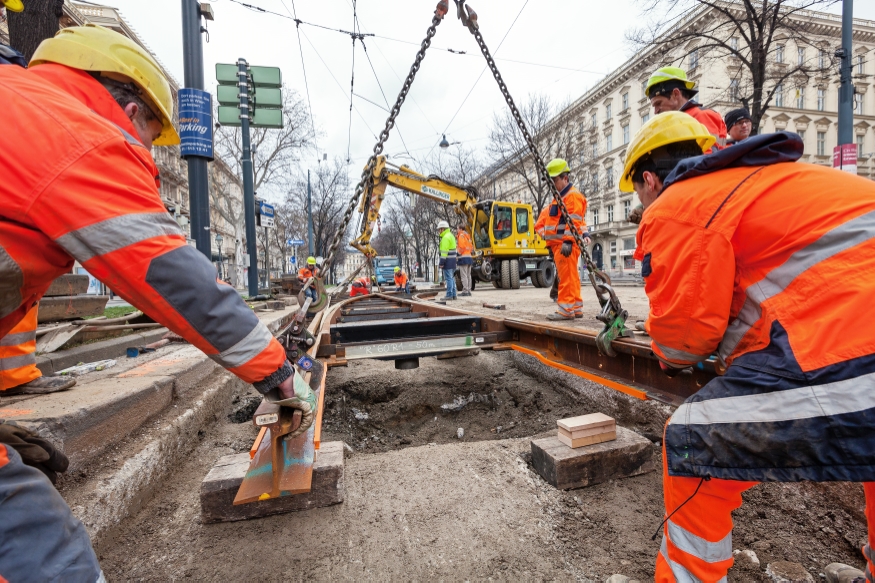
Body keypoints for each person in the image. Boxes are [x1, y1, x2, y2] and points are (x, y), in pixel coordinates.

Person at [0, 25, 316, 580]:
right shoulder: (80, 136)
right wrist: (277, 372)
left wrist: (10, 381)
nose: (146, 153)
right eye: (150, 135)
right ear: (128, 111)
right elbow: (172, 278)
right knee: (39, 547)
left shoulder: (21, 112)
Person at [617, 110, 875, 581]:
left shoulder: (679, 203)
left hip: (852, 346)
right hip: (855, 324)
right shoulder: (771, 180)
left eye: (638, 193)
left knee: (689, 441)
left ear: (650, 179)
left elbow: (681, 343)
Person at [534, 159, 589, 321]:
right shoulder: (560, 198)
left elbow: (574, 220)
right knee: (571, 276)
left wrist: (567, 241)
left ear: (565, 178)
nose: (552, 184)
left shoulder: (571, 196)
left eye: (554, 180)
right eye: (550, 181)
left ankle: (565, 310)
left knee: (565, 277)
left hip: (565, 245)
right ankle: (576, 307)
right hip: (560, 244)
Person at [644, 66, 727, 148]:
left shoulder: (701, 116)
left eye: (658, 103)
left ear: (676, 94)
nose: (656, 111)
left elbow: (707, 157)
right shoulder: (678, 121)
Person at [437, 220, 457, 300]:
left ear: (443, 229)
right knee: (452, 278)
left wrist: (441, 262)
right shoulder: (451, 235)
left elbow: (444, 252)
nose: (439, 231)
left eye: (439, 229)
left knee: (448, 278)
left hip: (448, 261)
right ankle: (454, 295)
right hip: (453, 261)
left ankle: (449, 295)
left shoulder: (445, 238)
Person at [456, 224, 474, 296]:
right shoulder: (467, 236)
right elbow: (471, 248)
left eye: (457, 229)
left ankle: (465, 291)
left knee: (463, 276)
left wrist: (457, 253)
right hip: (469, 257)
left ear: (460, 229)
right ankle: (469, 290)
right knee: (468, 275)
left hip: (463, 258)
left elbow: (461, 247)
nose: (457, 230)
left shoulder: (461, 236)